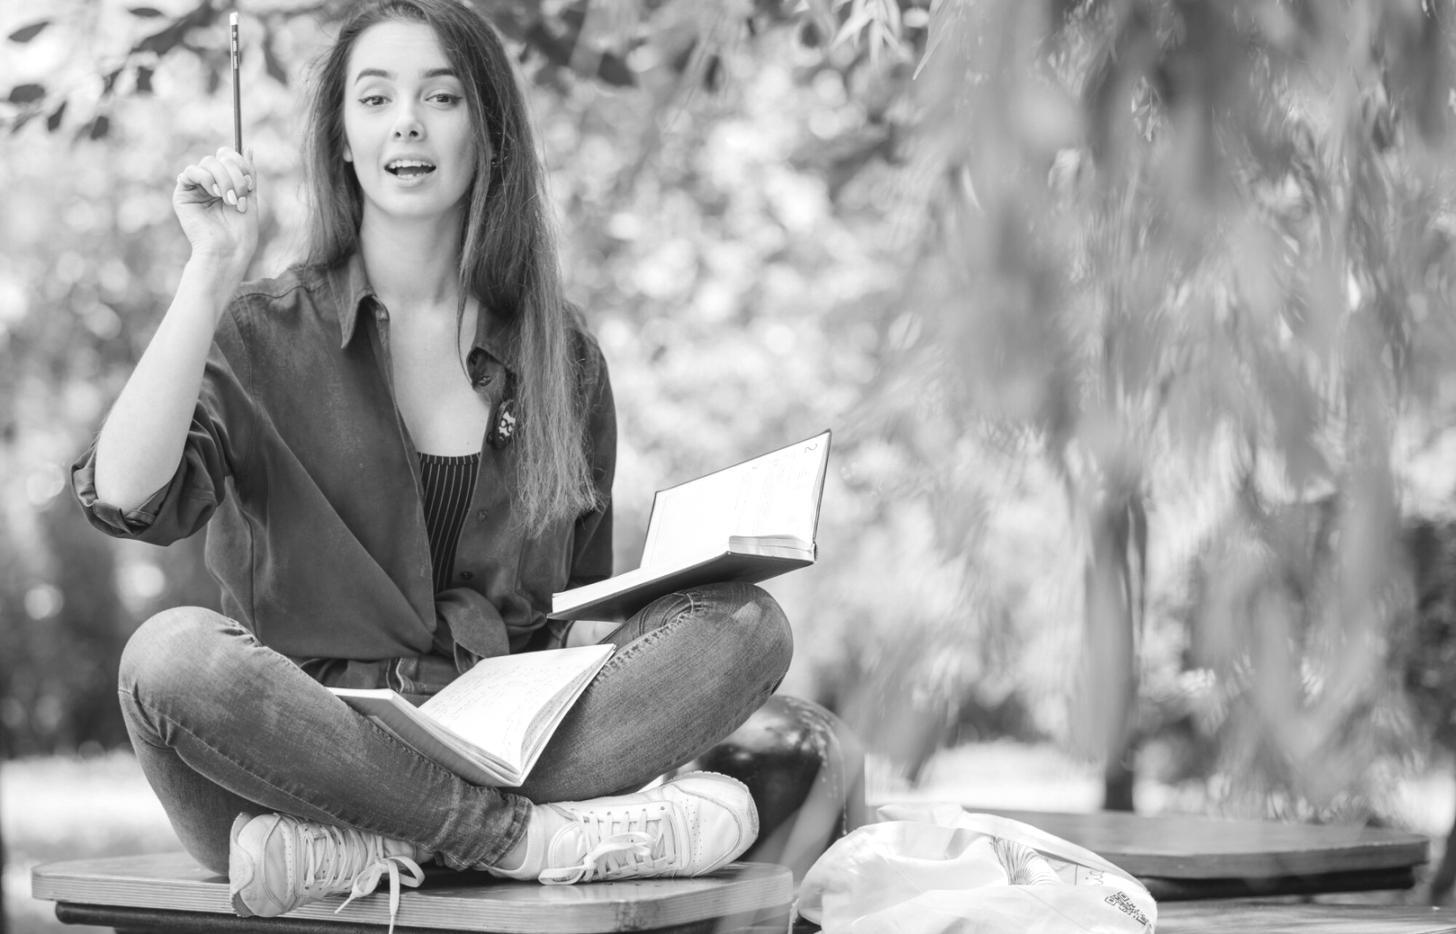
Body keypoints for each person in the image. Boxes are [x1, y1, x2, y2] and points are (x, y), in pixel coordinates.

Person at [70, 0, 792, 924]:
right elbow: (129, 496)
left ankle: (393, 846)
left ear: (486, 131)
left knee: (748, 626)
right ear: (342, 138)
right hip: (294, 768)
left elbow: (573, 616)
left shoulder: (562, 359)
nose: (406, 120)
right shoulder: (257, 332)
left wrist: (661, 613)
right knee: (168, 656)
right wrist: (208, 269)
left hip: (500, 745)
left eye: (440, 96)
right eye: (375, 99)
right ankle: (516, 846)